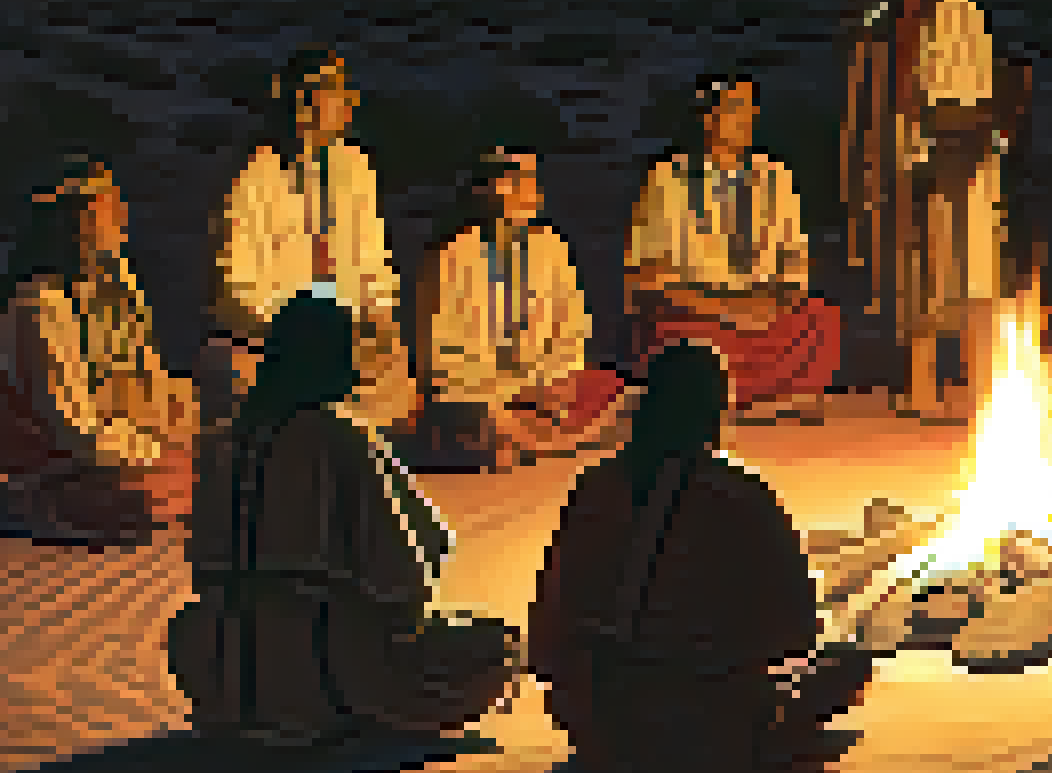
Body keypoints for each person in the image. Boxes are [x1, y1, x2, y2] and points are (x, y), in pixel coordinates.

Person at [168, 290, 521, 746]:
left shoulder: (220, 440)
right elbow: (404, 578)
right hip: (325, 667)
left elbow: (204, 567)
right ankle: (340, 711)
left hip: (218, 668)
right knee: (497, 647)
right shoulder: (342, 436)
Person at [529, 342, 873, 773]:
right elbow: (796, 630)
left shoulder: (595, 487)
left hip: (599, 717)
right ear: (715, 413)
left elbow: (548, 624)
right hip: (709, 724)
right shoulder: (741, 496)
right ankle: (752, 748)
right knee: (847, 663)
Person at [840, 0, 1032, 421]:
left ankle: (973, 391)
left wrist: (996, 128)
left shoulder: (959, 11)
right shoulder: (917, 17)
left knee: (973, 275)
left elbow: (981, 90)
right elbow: (910, 96)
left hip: (970, 154)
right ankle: (925, 388)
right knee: (932, 273)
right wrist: (924, 154)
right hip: (938, 154)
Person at [0, 156, 199, 543]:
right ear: (74, 225)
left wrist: (185, 423)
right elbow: (75, 429)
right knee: (159, 492)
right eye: (107, 213)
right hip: (46, 475)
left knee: (209, 459)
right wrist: (149, 447)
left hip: (99, 453)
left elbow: (142, 382)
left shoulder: (104, 294)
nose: (120, 224)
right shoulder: (38, 306)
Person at [201, 45, 416, 440]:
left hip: (343, 331)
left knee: (390, 370)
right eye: (311, 91)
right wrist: (292, 329)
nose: (320, 103)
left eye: (333, 90)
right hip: (272, 335)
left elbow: (373, 263)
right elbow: (235, 287)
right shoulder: (250, 173)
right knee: (237, 377)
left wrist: (378, 314)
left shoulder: (355, 168)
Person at [627, 73, 844, 422]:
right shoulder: (670, 177)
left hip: (760, 305)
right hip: (698, 308)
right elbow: (652, 276)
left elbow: (793, 258)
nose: (745, 118)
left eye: (748, 108)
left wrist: (771, 305)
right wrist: (724, 308)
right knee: (680, 337)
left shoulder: (774, 175)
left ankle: (767, 394)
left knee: (820, 321)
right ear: (708, 117)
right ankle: (725, 396)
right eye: (734, 108)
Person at [416, 149, 634, 473]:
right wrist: (517, 389)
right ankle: (530, 441)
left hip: (545, 387)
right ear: (485, 188)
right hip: (482, 391)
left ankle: (535, 441)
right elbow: (442, 359)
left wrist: (553, 382)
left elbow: (573, 329)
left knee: (618, 394)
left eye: (531, 179)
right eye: (515, 178)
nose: (527, 189)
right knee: (479, 417)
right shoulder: (453, 257)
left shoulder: (552, 247)